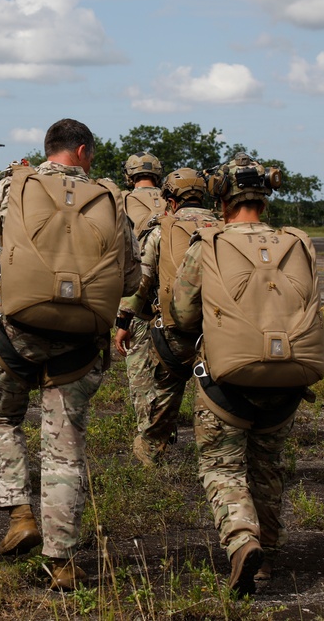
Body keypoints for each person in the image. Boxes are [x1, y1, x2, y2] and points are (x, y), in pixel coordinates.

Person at [0, 118, 141, 590]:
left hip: (14, 333)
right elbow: (131, 279)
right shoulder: (111, 200)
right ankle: (60, 561)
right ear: (82, 151)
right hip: (79, 345)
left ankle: (20, 514)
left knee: (0, 417)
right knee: (65, 450)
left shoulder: (10, 187)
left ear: (48, 149)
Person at [171, 152, 324, 596]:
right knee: (268, 468)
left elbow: (181, 314)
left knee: (222, 465)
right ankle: (267, 562)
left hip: (227, 385)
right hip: (289, 381)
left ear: (222, 196)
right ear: (264, 196)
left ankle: (242, 540)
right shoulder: (298, 242)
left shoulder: (209, 243)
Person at [116, 167, 219, 465]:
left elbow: (142, 279)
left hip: (175, 332)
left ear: (171, 200)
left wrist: (124, 320)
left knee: (163, 395)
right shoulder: (224, 228)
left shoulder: (162, 228)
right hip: (220, 331)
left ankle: (150, 452)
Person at [114, 152, 168, 466]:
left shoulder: (121, 201)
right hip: (177, 301)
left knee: (141, 376)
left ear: (130, 175)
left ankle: (149, 441)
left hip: (137, 299)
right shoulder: (174, 201)